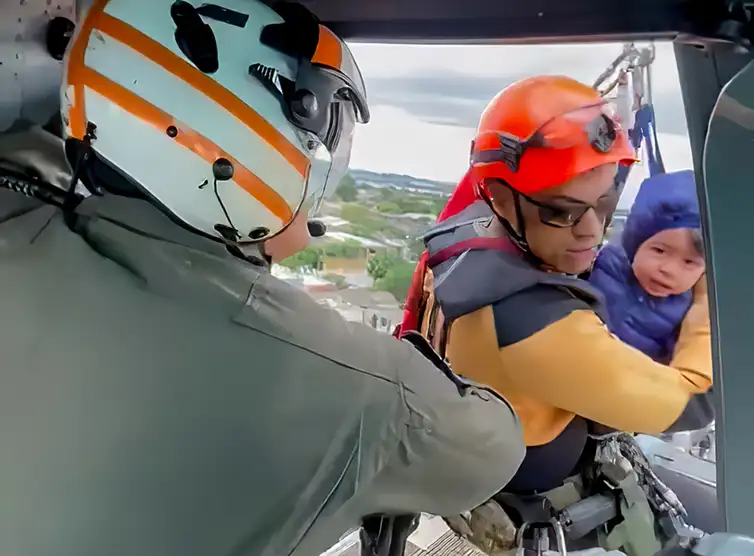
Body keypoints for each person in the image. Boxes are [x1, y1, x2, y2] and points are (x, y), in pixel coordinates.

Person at [0, 1, 526, 554]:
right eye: (313, 142)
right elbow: (493, 446)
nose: (316, 168)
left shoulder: (21, 227)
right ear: (235, 135)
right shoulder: (350, 384)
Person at [397, 75, 715, 551]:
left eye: (605, 202)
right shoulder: (535, 320)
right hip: (548, 510)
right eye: (564, 212)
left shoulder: (470, 236)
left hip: (493, 476)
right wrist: (708, 299)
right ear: (503, 197)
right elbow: (696, 400)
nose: (592, 231)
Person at [590, 170, 708, 364]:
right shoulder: (601, 266)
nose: (668, 269)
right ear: (635, 241)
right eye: (660, 251)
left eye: (689, 262)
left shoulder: (691, 311)